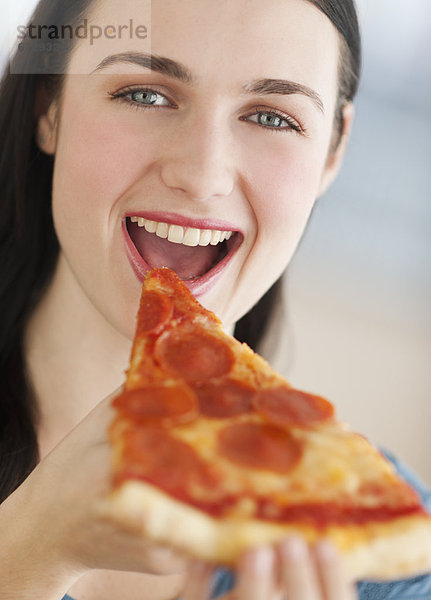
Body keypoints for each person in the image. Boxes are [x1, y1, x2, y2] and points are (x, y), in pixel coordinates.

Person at [0, 0, 430, 599]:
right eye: (145, 95)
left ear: (334, 150)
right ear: (49, 105)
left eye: (272, 117)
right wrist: (24, 551)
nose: (202, 174)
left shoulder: (396, 565)